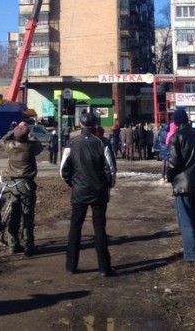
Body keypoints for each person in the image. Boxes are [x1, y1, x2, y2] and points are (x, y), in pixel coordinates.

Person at [60, 112, 117, 276]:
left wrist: (73, 184)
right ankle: (104, 268)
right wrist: (109, 185)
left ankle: (71, 266)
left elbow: (63, 170)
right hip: (99, 191)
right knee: (99, 229)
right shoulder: (102, 142)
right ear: (95, 124)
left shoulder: (72, 143)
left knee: (75, 228)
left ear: (80, 124)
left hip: (79, 191)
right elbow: (111, 169)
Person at [166, 107, 195, 263]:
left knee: (186, 220)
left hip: (183, 184)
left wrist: (169, 177)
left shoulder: (176, 137)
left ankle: (191, 255)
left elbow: (173, 163)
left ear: (176, 122)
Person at [0, 121, 44, 255]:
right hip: (26, 184)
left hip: (13, 184)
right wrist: (29, 133)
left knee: (15, 214)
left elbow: (2, 139)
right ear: (26, 136)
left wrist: (14, 129)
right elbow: (39, 146)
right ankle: (29, 245)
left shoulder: (9, 146)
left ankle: (13, 244)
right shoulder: (30, 147)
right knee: (28, 216)